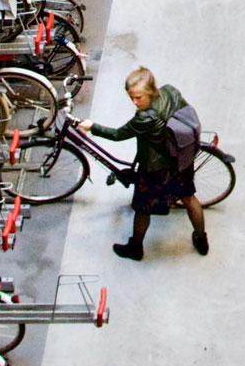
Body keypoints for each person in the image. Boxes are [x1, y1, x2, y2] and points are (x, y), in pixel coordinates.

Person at [79, 67, 208, 260]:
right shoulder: (170, 91)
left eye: (139, 97)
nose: (135, 102)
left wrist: (92, 127)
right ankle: (201, 238)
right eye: (132, 97)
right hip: (180, 157)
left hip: (155, 169)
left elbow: (117, 135)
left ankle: (135, 248)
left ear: (150, 91)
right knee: (189, 198)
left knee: (142, 208)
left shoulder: (145, 117)